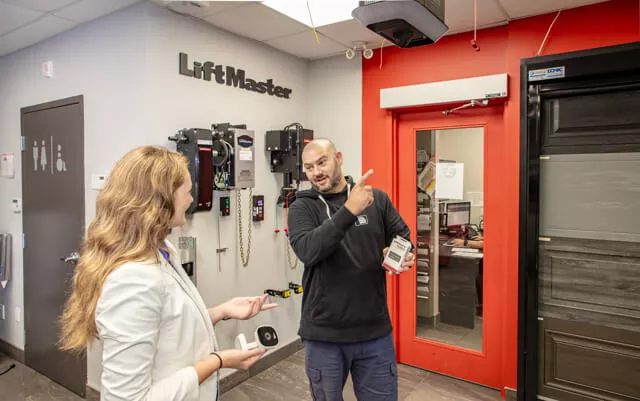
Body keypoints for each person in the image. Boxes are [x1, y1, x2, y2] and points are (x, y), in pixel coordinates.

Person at [59, 146, 276, 401]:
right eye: (186, 192)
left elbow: (167, 324)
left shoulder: (162, 250)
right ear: (159, 202)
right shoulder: (132, 280)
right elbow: (127, 398)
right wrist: (217, 361)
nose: (191, 200)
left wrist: (222, 311)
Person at [287, 138, 415, 401]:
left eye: (322, 162)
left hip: (374, 332)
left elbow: (402, 236)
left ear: (339, 158)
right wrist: (349, 210)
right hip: (324, 335)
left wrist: (400, 253)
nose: (316, 172)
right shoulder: (302, 206)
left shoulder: (376, 199)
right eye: (309, 167)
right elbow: (308, 251)